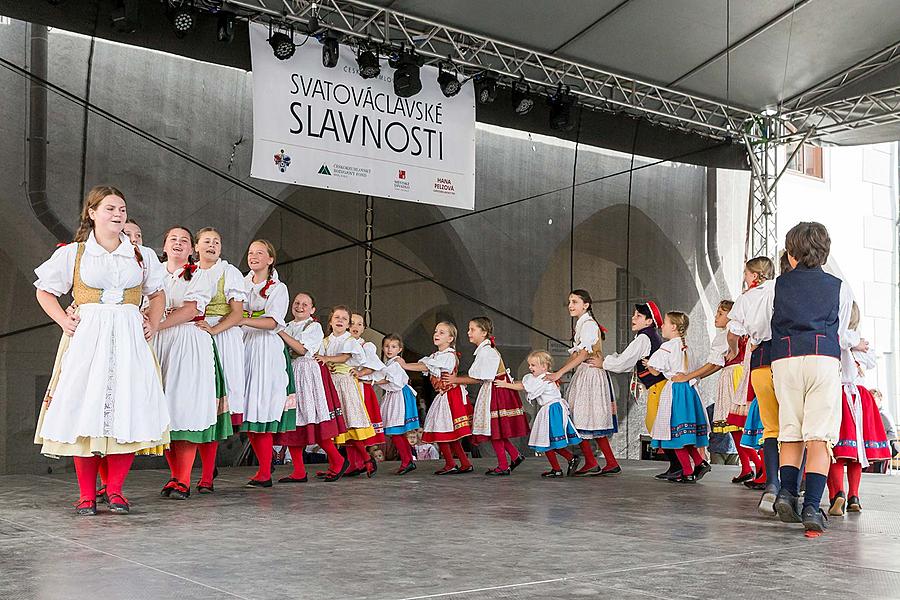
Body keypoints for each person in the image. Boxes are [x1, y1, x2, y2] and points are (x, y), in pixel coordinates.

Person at [34, 185, 169, 515]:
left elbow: (159, 293)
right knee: (86, 408)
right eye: (110, 208)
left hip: (128, 335)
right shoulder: (75, 253)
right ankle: (86, 495)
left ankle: (116, 490)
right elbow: (44, 291)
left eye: (121, 209)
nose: (117, 214)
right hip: (89, 337)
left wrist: (153, 322)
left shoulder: (141, 254)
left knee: (128, 408)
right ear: (92, 213)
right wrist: (63, 322)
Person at [770, 222, 854, 534]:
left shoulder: (775, 286)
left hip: (785, 359)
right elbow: (841, 333)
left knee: (790, 431)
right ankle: (811, 507)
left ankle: (787, 493)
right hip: (822, 358)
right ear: (823, 252)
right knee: (819, 436)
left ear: (791, 253)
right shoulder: (838, 287)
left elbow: (766, 327)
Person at [154, 226, 231, 500]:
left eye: (184, 240)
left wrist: (159, 321)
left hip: (187, 342)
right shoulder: (153, 273)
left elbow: (192, 309)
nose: (178, 243)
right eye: (172, 239)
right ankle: (174, 475)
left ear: (191, 249)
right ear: (164, 246)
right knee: (163, 410)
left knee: (183, 407)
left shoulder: (198, 274)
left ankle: (184, 478)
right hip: (158, 342)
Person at [673, 300, 760, 483]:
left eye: (720, 313)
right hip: (741, 374)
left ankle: (757, 465)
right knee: (737, 427)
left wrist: (688, 376)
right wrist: (696, 377)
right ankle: (747, 466)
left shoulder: (727, 334)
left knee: (737, 425)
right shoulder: (743, 331)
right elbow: (716, 364)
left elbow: (714, 363)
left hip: (733, 376)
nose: (716, 317)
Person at [590, 302, 674, 478]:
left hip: (658, 386)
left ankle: (680, 465)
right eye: (634, 314)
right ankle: (677, 465)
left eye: (639, 316)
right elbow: (627, 361)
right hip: (657, 386)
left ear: (649, 321)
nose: (633, 318)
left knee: (657, 426)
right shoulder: (645, 336)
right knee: (658, 426)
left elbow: (624, 362)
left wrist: (603, 363)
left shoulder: (644, 338)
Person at [193, 227, 248, 493]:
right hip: (193, 337)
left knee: (215, 404)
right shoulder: (189, 272)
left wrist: (214, 330)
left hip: (221, 335)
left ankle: (206, 474)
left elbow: (237, 313)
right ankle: (193, 470)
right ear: (196, 247)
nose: (212, 245)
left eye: (217, 241)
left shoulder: (229, 273)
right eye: (207, 241)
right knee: (195, 404)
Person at [239, 240, 297, 488]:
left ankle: (264, 470)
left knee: (261, 404)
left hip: (266, 349)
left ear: (270, 259)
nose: (254, 256)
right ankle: (263, 467)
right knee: (248, 406)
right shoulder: (242, 282)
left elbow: (273, 322)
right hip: (245, 345)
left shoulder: (278, 288)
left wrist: (242, 318)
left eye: (260, 253)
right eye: (251, 252)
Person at [274, 292, 348, 483]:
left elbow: (301, 349)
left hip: (308, 376)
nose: (299, 306)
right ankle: (299, 470)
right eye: (297, 303)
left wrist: (279, 331)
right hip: (291, 374)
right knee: (293, 423)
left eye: (305, 304)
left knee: (314, 421)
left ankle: (338, 460)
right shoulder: (288, 325)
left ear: (312, 309)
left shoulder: (313, 327)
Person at [443, 317, 529, 476]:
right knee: (496, 429)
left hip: (496, 391)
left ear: (483, 333)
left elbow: (481, 377)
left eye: (472, 329)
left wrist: (456, 380)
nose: (469, 332)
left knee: (494, 429)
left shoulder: (487, 352)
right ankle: (515, 456)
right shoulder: (485, 350)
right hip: (493, 390)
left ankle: (503, 465)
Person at [727, 256, 780, 515]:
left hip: (762, 356)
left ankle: (772, 483)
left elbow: (735, 331)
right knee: (792, 422)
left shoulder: (747, 298)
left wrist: (736, 345)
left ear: (754, 275)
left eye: (746, 273)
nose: (745, 278)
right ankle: (795, 478)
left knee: (770, 424)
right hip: (787, 354)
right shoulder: (780, 288)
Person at [546, 290, 619, 476]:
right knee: (585, 418)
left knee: (582, 418)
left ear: (585, 305)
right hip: (587, 373)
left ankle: (597, 461)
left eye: (575, 302)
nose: (570, 305)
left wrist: (559, 373)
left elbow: (584, 354)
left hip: (591, 375)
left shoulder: (588, 325)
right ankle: (603, 462)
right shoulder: (583, 324)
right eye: (570, 301)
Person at [828, 302, 889, 515]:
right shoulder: (858, 342)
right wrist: (856, 346)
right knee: (856, 450)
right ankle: (854, 495)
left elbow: (839, 344)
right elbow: (871, 360)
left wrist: (852, 345)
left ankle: (838, 494)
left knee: (834, 449)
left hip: (837, 395)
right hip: (859, 397)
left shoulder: (834, 337)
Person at [399, 322, 474, 475]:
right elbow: (425, 364)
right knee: (447, 433)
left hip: (450, 396)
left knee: (442, 430)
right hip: (443, 396)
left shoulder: (448, 356)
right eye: (436, 331)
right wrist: (405, 365)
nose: (436, 334)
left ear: (450, 338)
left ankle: (451, 463)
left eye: (441, 332)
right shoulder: (436, 356)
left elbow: (426, 366)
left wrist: (405, 365)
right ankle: (463, 463)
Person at [645, 311, 710, 483]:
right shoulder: (687, 346)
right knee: (685, 432)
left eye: (665, 323)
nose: (662, 326)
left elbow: (654, 368)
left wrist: (649, 365)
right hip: (689, 390)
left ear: (673, 327)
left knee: (672, 432)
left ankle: (688, 471)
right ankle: (698, 462)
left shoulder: (667, 346)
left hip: (675, 390)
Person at [496, 351, 581, 478]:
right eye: (530, 365)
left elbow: (524, 387)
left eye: (533, 365)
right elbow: (525, 384)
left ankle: (562, 464)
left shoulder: (545, 378)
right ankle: (563, 463)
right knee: (547, 441)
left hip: (552, 410)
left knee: (547, 441)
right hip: (548, 409)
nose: (530, 368)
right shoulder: (537, 379)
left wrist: (505, 384)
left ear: (544, 367)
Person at [315, 305, 377, 478]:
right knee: (335, 427)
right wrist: (325, 364)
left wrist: (327, 359)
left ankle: (366, 458)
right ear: (331, 321)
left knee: (350, 424)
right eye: (337, 317)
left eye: (344, 318)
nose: (340, 320)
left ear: (348, 324)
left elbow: (345, 357)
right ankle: (338, 463)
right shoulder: (325, 341)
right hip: (331, 384)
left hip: (345, 384)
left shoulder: (349, 340)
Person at [375, 333, 421, 475]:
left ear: (399, 349)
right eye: (387, 346)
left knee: (396, 431)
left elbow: (391, 381)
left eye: (393, 346)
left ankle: (407, 461)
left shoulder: (396, 363)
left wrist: (372, 381)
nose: (389, 349)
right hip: (395, 396)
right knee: (398, 433)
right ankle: (408, 460)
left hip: (399, 397)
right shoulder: (390, 363)